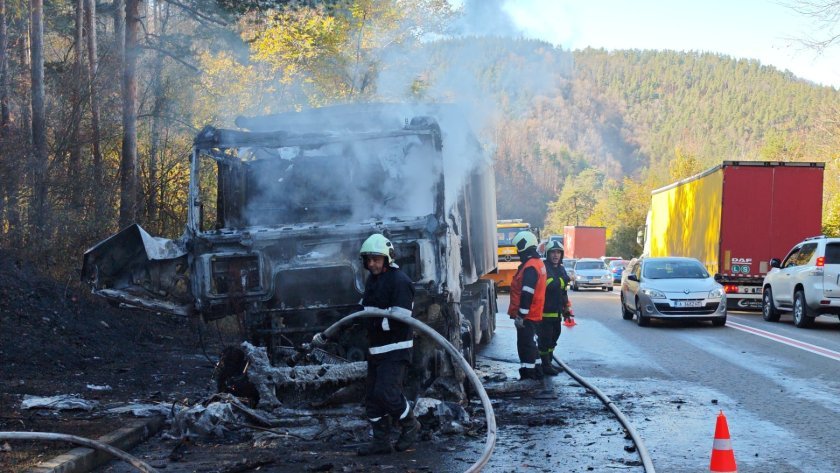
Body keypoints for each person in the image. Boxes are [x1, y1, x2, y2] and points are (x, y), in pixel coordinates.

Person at [354, 233, 420, 455]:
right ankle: (381, 442)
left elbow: (400, 319)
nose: (371, 264)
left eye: (376, 259)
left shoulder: (400, 282)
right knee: (372, 399)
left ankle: (411, 425)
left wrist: (373, 321)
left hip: (396, 349)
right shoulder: (373, 281)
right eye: (368, 260)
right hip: (376, 350)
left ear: (387, 258)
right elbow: (364, 308)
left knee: (387, 393)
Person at [507, 230, 547, 380]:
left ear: (524, 246)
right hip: (534, 313)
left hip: (528, 316)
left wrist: (521, 316)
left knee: (526, 346)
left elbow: (527, 294)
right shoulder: (537, 263)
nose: (517, 251)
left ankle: (529, 376)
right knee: (531, 345)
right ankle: (537, 372)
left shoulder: (530, 267)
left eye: (518, 247)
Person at [538, 240, 571, 376]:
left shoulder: (561, 268)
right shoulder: (544, 267)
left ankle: (549, 362)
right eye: (553, 252)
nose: (556, 255)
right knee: (545, 341)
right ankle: (545, 366)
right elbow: (550, 285)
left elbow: (563, 291)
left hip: (557, 312)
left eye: (558, 252)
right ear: (548, 254)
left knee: (554, 339)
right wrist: (565, 279)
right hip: (545, 313)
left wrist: (566, 309)